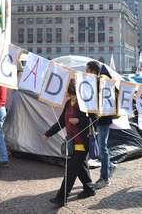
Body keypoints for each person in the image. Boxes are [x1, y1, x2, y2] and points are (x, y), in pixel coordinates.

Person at [44, 79, 95, 207]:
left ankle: (61, 198)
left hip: (83, 142)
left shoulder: (84, 104)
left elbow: (93, 121)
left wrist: (79, 120)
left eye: (68, 90)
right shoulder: (68, 103)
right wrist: (48, 133)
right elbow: (61, 121)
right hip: (72, 141)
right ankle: (89, 189)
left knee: (71, 170)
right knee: (80, 167)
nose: (66, 92)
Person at [86, 60, 114, 190]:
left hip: (104, 119)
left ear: (93, 70)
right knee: (102, 146)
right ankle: (110, 167)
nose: (86, 73)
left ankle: (105, 178)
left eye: (88, 70)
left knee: (102, 148)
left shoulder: (102, 80)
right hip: (100, 118)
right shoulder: (97, 81)